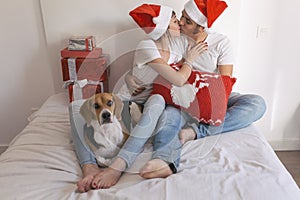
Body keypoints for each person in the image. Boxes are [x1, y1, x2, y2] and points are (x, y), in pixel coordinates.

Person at [69, 3, 206, 192]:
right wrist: (189, 60)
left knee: (158, 99)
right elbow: (178, 78)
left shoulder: (176, 46)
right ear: (165, 26)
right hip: (128, 101)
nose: (180, 24)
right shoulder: (147, 46)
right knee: (75, 106)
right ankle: (88, 165)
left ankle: (119, 165)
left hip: (150, 103)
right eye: (175, 21)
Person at [126, 0, 266, 179]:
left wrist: (209, 106)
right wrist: (130, 78)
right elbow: (154, 63)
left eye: (188, 21)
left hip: (211, 97)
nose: (181, 22)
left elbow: (226, 85)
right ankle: (164, 160)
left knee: (257, 104)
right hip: (181, 96)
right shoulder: (176, 38)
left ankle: (196, 131)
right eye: (182, 16)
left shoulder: (221, 43)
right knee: (169, 116)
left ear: (201, 28)